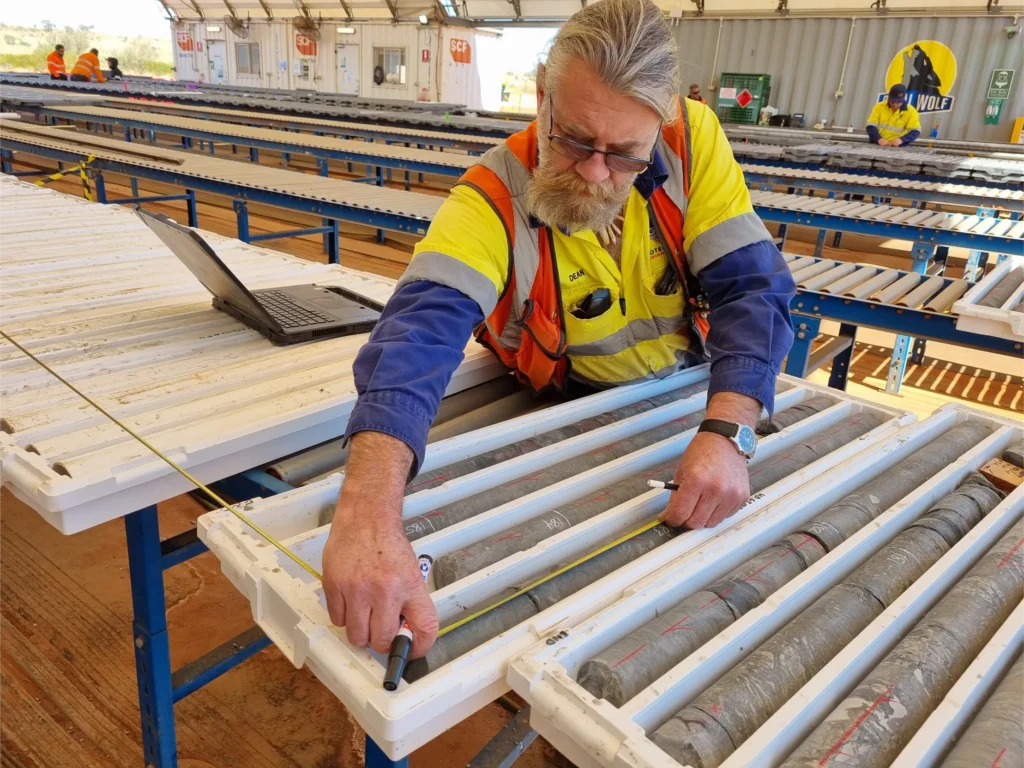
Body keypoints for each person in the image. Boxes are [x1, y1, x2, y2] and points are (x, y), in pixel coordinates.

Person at [321, 0, 796, 659]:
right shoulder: (491, 197)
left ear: (657, 127)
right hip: (576, 415)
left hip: (698, 406)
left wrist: (730, 428)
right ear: (542, 96)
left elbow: (751, 284)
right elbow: (418, 335)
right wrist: (368, 509)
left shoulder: (692, 142)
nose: (597, 172)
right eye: (575, 140)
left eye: (625, 154)